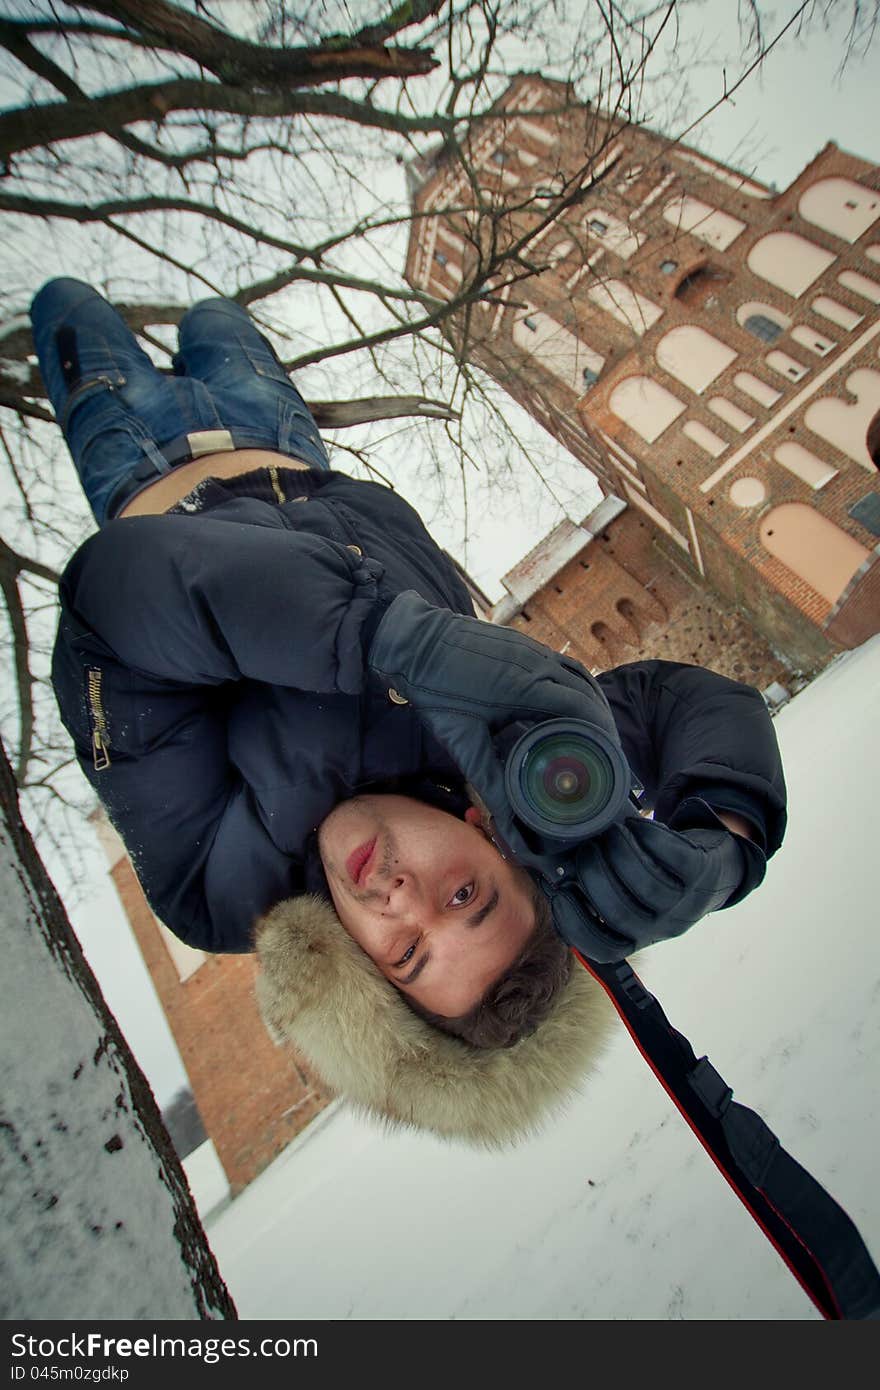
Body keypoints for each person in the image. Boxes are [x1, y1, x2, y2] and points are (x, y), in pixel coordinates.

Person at [34, 279, 787, 1144]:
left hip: (136, 461)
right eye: (464, 893)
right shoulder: (500, 756)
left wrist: (389, 637)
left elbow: (112, 609)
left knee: (67, 303)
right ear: (490, 831)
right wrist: (726, 840)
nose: (400, 897)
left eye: (404, 951)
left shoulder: (219, 889)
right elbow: (681, 703)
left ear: (366, 974)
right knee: (211, 314)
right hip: (282, 433)